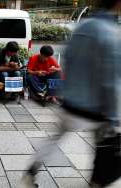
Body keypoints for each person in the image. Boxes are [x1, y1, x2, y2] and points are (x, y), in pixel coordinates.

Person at [24, 0, 121, 187]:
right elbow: (112, 80)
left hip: (70, 101)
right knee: (102, 148)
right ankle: (96, 182)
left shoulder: (83, 26)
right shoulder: (111, 32)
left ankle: (31, 172)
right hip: (95, 108)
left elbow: (68, 58)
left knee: (54, 138)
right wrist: (114, 116)